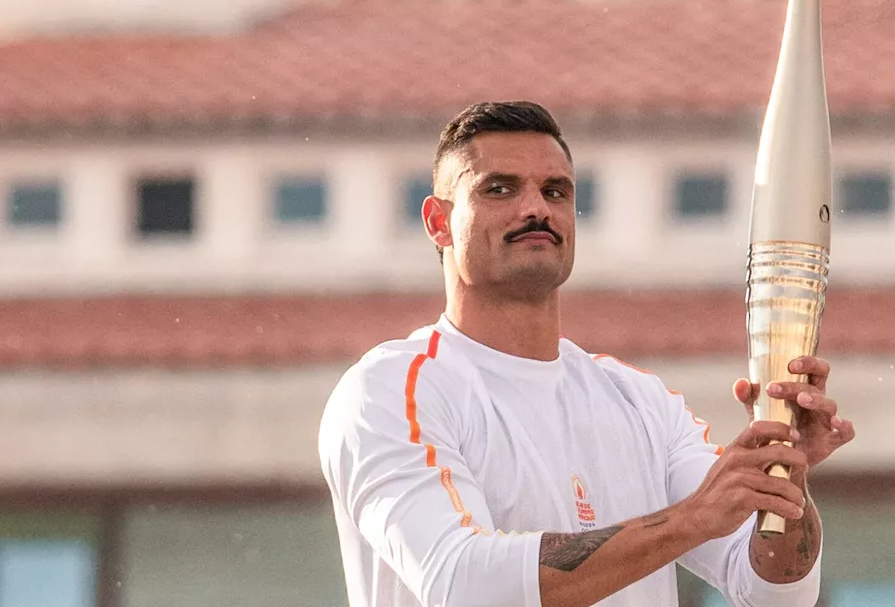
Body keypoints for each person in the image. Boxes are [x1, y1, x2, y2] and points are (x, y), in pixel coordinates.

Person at [317, 101, 856, 607]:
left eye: (556, 192)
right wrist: (691, 520)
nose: (535, 209)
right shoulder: (391, 390)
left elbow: (771, 590)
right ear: (438, 221)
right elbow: (463, 583)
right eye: (500, 189)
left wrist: (784, 479)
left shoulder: (640, 401)